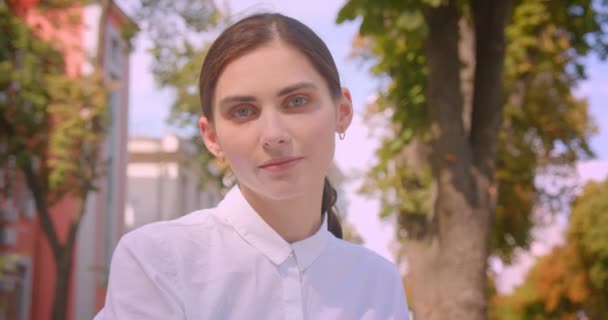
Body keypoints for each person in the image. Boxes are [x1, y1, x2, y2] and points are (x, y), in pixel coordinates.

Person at [94, 12, 409, 320]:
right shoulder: (158, 263)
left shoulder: (378, 284)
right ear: (212, 137)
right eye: (243, 111)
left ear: (342, 111)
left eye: (296, 101)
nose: (274, 135)